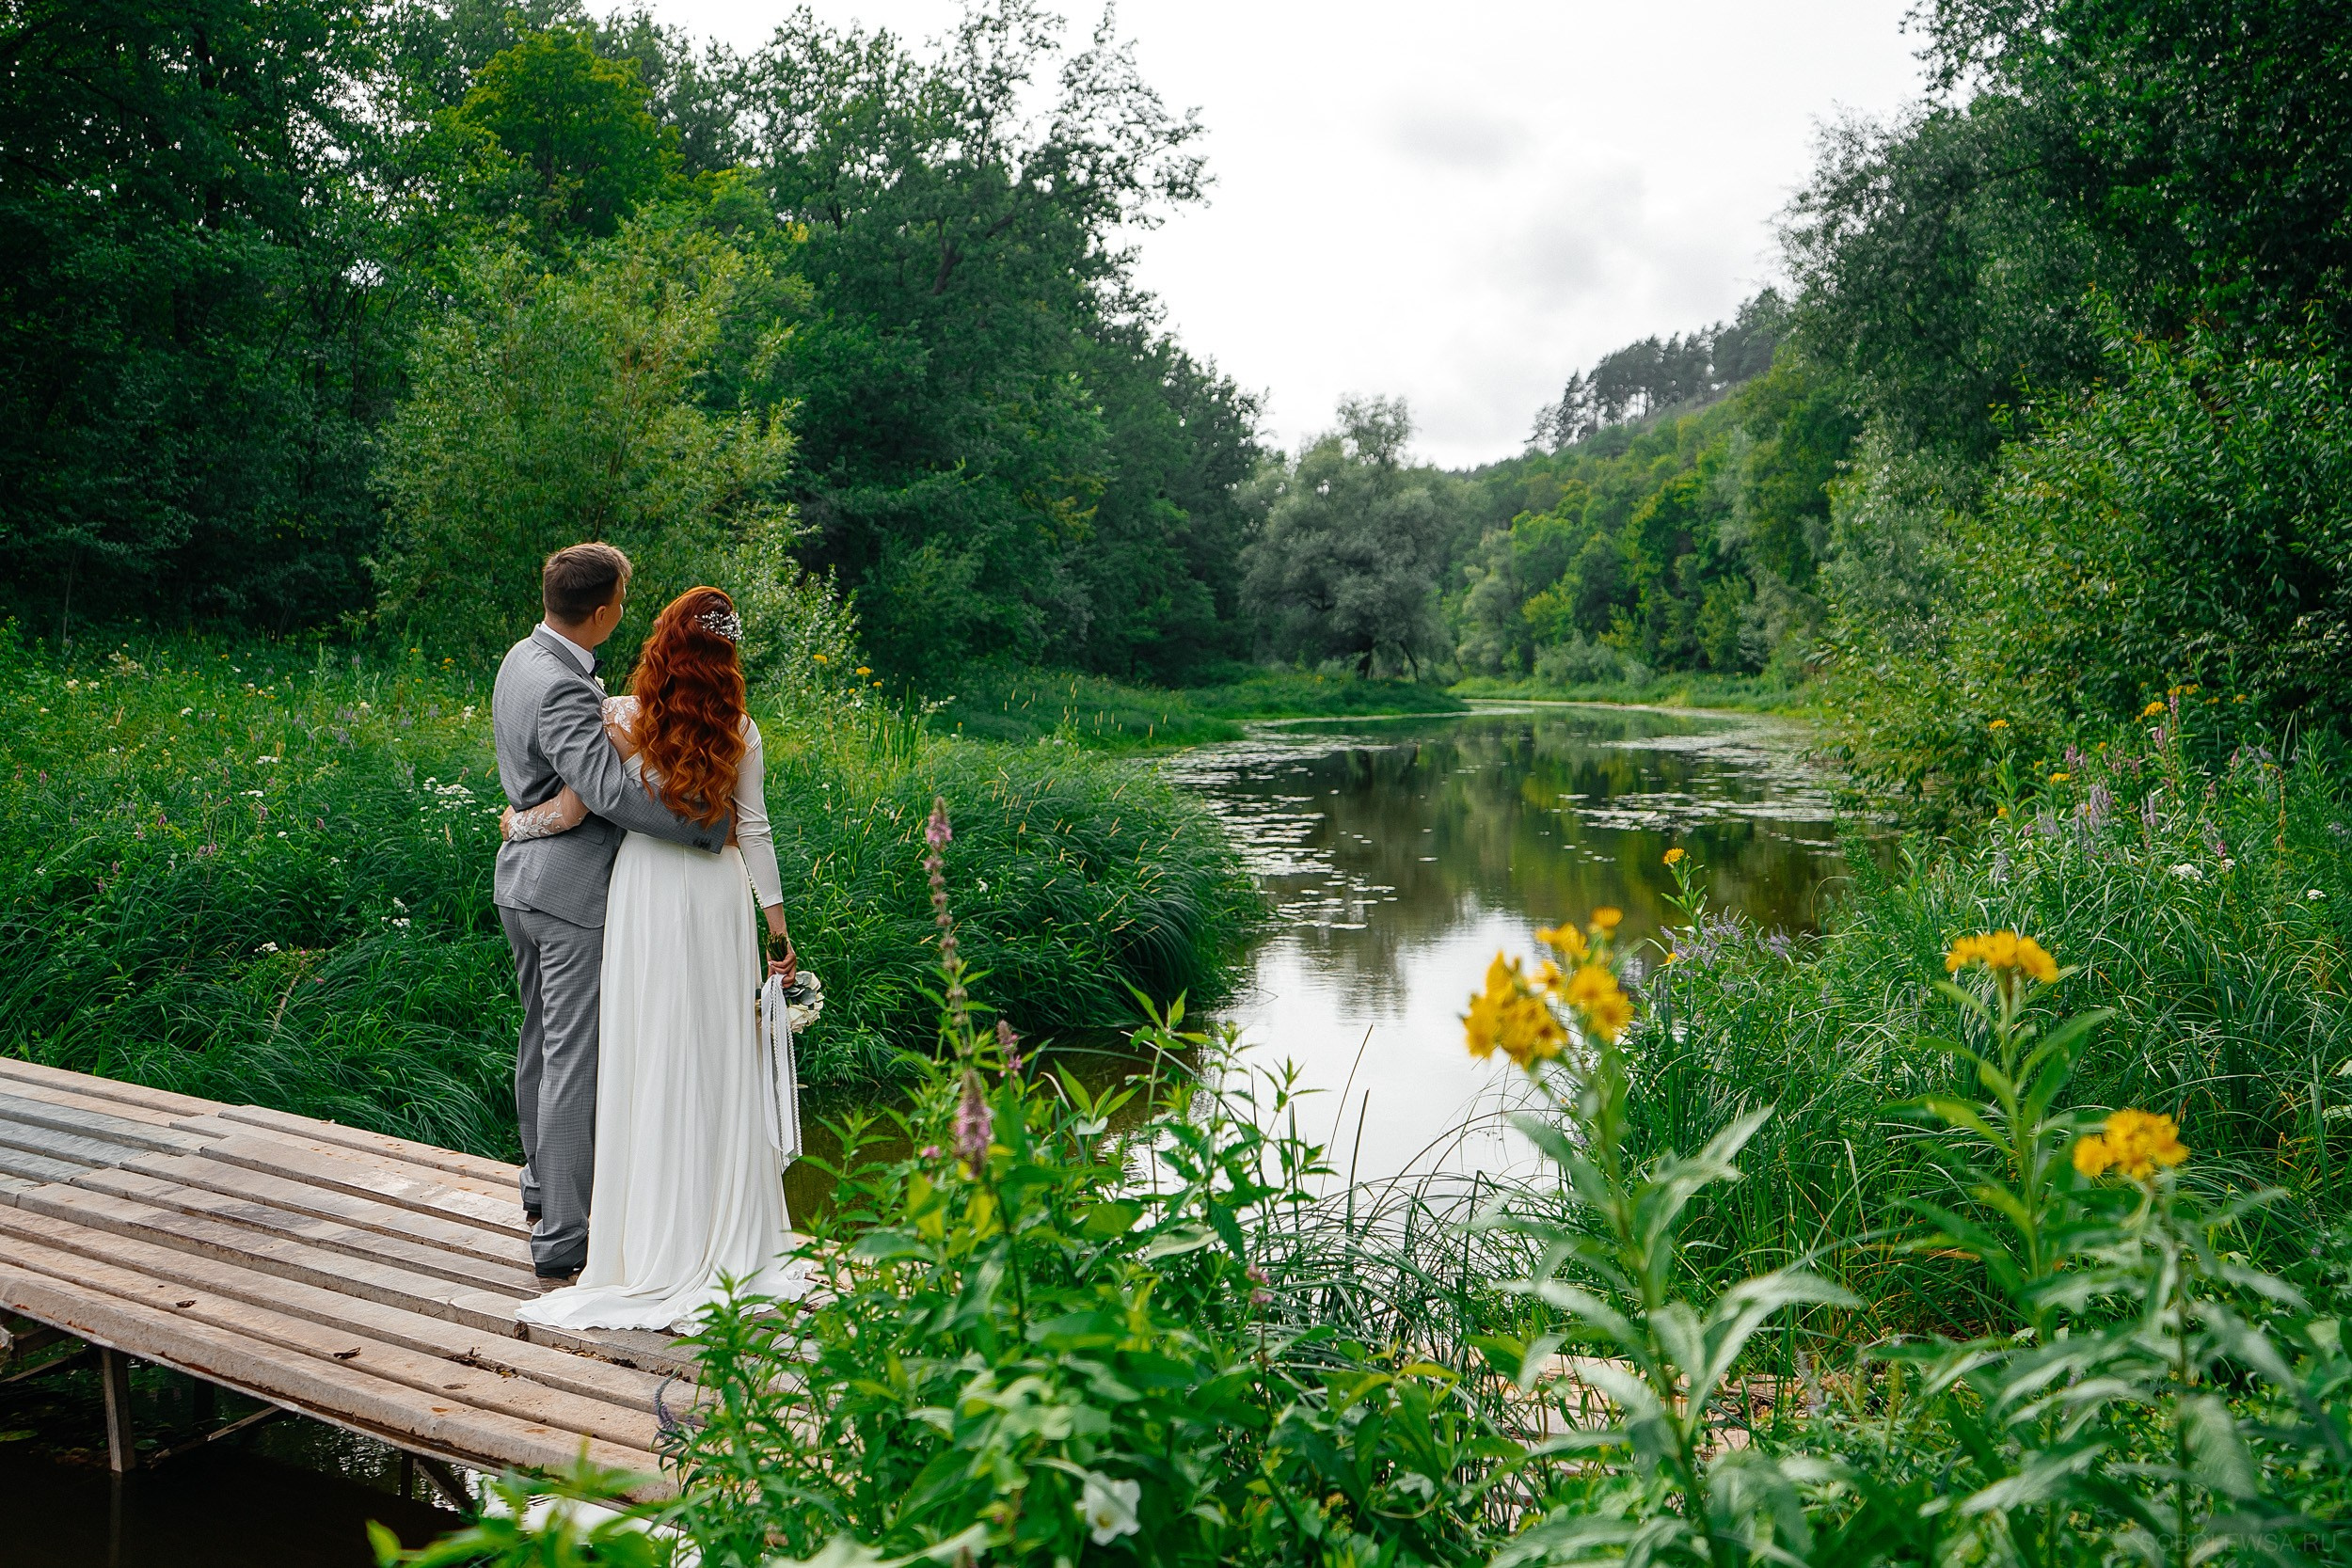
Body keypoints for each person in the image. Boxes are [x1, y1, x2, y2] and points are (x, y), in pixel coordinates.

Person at [503, 583, 814, 1331]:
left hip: (640, 892)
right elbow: (757, 830)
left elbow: (582, 804)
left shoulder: (622, 717)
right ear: (728, 655)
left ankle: (635, 1227)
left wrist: (517, 822)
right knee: (711, 1050)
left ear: (663, 645)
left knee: (642, 1049)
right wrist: (777, 929)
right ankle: (712, 1219)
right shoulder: (741, 728)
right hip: (712, 896)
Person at [491, 544, 732, 1281]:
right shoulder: (564, 687)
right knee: (569, 1057)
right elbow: (605, 790)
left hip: (522, 887)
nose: (624, 612)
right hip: (566, 895)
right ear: (601, 613)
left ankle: (540, 1188)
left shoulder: (519, 659)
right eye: (622, 602)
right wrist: (704, 825)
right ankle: (564, 1236)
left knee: (540, 1039)